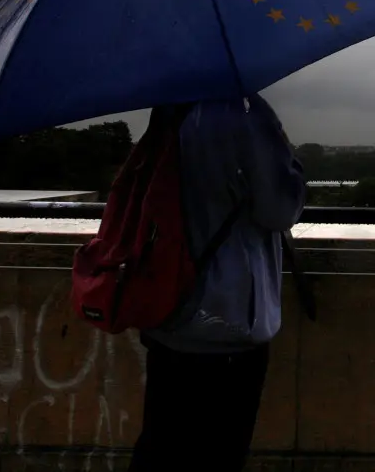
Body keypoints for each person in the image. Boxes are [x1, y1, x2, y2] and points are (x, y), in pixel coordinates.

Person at [128, 94, 306, 471]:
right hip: (227, 323)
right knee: (220, 454)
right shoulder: (244, 113)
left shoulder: (172, 111)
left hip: (167, 313)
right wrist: (289, 162)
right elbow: (279, 210)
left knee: (161, 447)